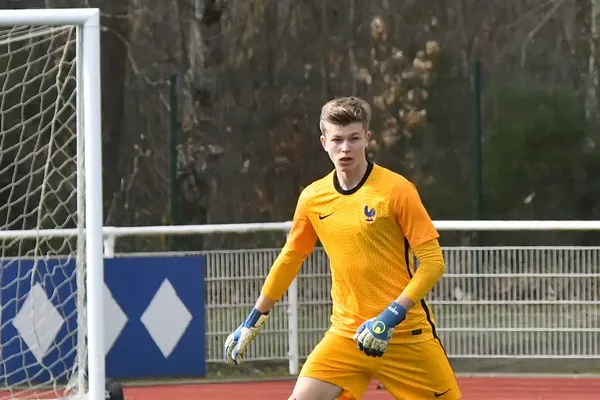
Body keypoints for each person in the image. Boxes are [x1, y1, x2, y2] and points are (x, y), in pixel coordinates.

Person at [224, 96, 461, 400]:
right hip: (346, 335)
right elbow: (290, 258)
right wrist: (254, 319)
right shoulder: (313, 198)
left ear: (367, 138)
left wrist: (389, 317)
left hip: (404, 335)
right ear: (324, 142)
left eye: (354, 139)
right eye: (337, 140)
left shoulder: (397, 190)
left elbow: (432, 263)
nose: (345, 148)